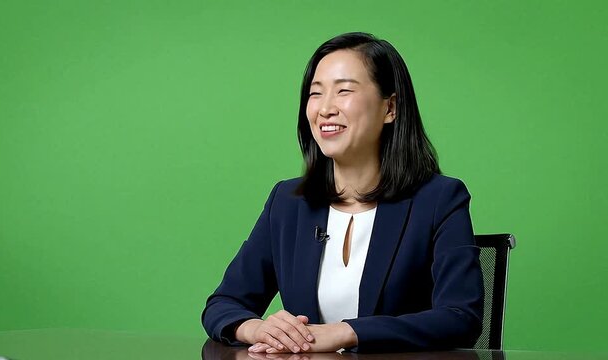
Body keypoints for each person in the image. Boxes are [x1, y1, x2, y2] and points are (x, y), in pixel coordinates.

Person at [201, 32, 484, 354]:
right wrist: (259, 329)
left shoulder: (440, 199)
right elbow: (223, 304)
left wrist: (346, 332)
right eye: (315, 94)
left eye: (344, 91)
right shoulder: (288, 201)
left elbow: (461, 318)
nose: (325, 109)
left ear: (390, 108)